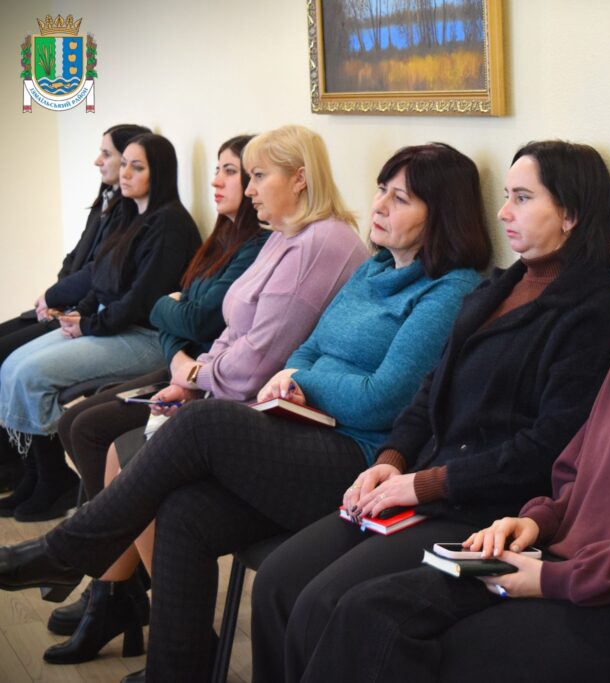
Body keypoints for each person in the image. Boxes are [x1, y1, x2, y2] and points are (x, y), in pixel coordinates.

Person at [254, 166, 610, 683]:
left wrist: (553, 576)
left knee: (424, 650)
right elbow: (574, 469)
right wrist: (534, 522)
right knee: (367, 611)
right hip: (555, 560)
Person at [0, 141, 491, 683]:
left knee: (200, 423)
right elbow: (308, 347)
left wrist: (306, 381)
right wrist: (301, 375)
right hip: (301, 428)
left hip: (360, 460)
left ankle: (69, 551)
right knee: (184, 512)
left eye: (400, 199)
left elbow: (382, 399)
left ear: (441, 215)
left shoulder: (450, 290)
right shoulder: (373, 268)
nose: (378, 206)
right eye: (381, 190)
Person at [40, 124, 368, 670]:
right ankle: (141, 622)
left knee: (139, 451)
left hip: (280, 419)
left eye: (256, 175)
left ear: (300, 178)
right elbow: (227, 330)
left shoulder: (324, 242)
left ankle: (81, 564)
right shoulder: (281, 235)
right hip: (229, 391)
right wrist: (192, 376)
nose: (249, 188)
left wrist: (195, 371)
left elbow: (253, 362)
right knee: (134, 461)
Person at [39, 133, 276, 664]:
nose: (219, 181)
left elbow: (190, 313)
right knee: (78, 424)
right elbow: (173, 315)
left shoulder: (257, 246)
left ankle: (114, 593)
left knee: (103, 436)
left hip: (207, 376)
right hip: (182, 364)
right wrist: (176, 340)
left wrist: (175, 323)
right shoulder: (221, 236)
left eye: (236, 172)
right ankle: (116, 590)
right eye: (220, 169)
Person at [0, 133, 201, 522]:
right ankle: (36, 475)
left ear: (159, 173)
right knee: (11, 366)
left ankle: (54, 482)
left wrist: (90, 324)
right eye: (123, 164)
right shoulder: (129, 215)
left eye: (137, 167)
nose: (125, 173)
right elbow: (103, 279)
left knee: (30, 374)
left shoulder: (170, 224)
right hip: (113, 326)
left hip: (146, 338)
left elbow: (143, 300)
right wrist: (81, 314)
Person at [0, 123, 150, 491]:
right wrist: (54, 296)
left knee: (16, 364)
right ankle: (24, 471)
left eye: (109, 155)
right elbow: (78, 260)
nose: (99, 161)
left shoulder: (142, 218)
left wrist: (63, 303)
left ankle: (45, 477)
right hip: (75, 308)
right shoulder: (105, 204)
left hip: (91, 315)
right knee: (8, 355)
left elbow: (102, 275)